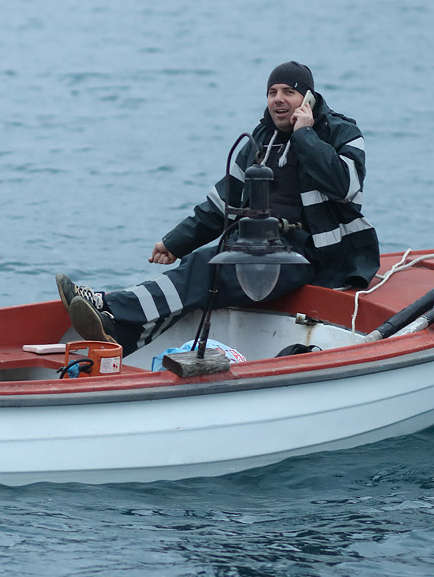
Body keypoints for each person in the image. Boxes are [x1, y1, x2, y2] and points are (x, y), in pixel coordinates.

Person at [56, 61, 380, 356]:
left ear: (308, 98)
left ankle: (110, 305)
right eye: (272, 92)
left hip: (313, 255)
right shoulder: (260, 139)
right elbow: (223, 202)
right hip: (258, 246)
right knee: (199, 270)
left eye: (288, 92)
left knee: (204, 269)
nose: (278, 99)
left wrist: (305, 135)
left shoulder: (340, 133)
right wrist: (175, 242)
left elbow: (345, 187)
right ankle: (120, 334)